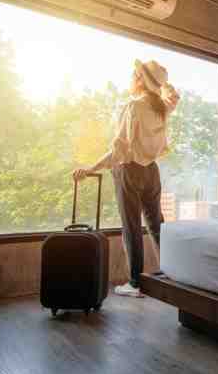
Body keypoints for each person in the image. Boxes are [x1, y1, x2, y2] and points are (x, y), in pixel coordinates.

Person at [73, 59, 180, 297]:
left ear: (140, 80)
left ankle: (135, 284)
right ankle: (174, 275)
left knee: (131, 227)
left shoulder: (133, 107)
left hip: (129, 171)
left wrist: (91, 168)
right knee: (157, 225)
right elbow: (174, 96)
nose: (131, 78)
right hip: (151, 172)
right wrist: (161, 83)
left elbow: (119, 149)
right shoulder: (162, 108)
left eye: (134, 75)